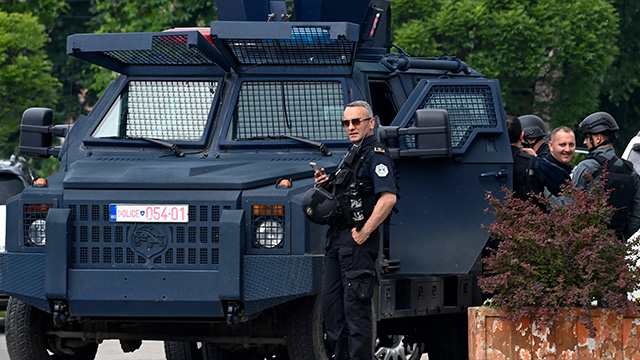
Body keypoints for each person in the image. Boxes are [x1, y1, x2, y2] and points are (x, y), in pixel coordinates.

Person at [312, 100, 397, 360]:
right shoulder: (352, 155)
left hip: (357, 243)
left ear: (371, 123)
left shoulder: (376, 154)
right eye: (346, 123)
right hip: (337, 242)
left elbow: (388, 198)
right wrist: (326, 184)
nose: (351, 127)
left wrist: (365, 231)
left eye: (356, 121)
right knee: (333, 312)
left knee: (356, 313)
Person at [572, 111, 640, 239]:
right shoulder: (631, 172)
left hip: (585, 247)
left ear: (598, 138)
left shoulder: (586, 168)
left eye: (587, 137)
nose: (585, 142)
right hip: (615, 249)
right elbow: (636, 217)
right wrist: (619, 238)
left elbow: (570, 207)